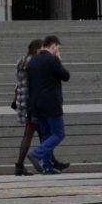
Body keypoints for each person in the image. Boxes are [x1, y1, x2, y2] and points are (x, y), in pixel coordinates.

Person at [25, 34, 70, 174]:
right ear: (54, 46)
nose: (58, 50)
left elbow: (30, 84)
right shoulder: (52, 60)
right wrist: (59, 60)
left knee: (47, 134)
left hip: (36, 104)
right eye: (58, 48)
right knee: (58, 133)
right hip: (51, 103)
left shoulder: (32, 61)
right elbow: (65, 76)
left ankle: (48, 167)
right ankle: (36, 154)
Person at [12, 37, 44, 175]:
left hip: (23, 102)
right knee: (33, 134)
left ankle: (46, 161)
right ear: (37, 50)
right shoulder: (34, 64)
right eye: (42, 49)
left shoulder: (22, 62)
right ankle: (21, 165)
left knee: (39, 133)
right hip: (32, 104)